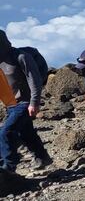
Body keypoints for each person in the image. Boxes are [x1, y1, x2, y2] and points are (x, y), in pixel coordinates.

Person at [0, 31, 51, 173]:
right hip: (10, 104)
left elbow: (34, 80)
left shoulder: (21, 56)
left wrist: (34, 103)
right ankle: (42, 158)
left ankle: (8, 168)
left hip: (24, 103)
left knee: (6, 132)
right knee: (26, 134)